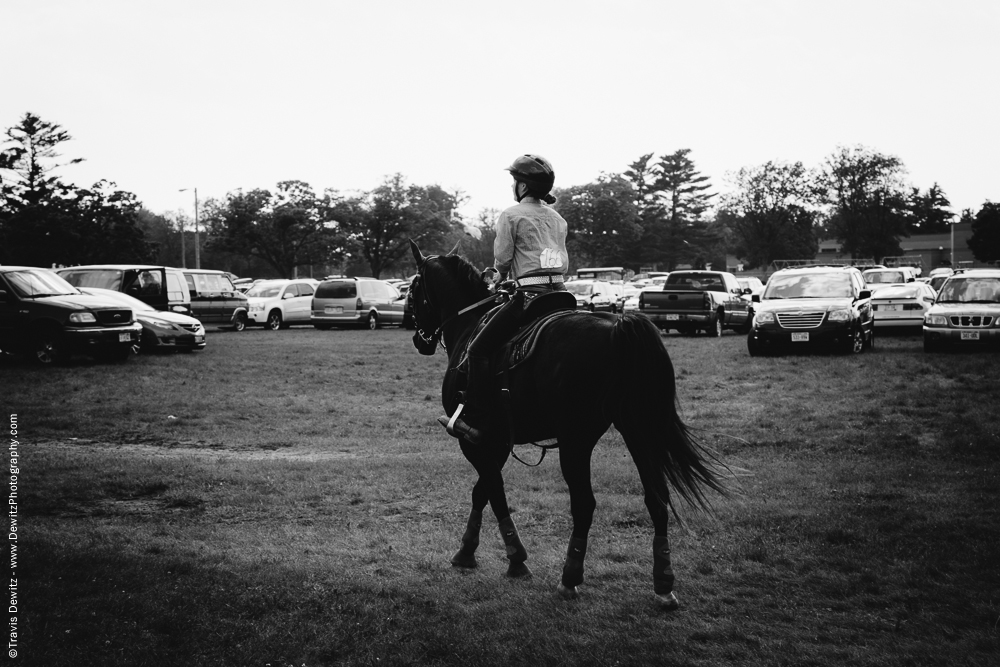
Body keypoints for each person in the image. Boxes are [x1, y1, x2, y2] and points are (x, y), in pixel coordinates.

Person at [440, 154, 570, 445]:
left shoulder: (511, 215)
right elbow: (557, 261)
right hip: (562, 296)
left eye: (515, 181)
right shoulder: (558, 219)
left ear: (522, 186)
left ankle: (475, 417)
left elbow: (503, 260)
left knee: (476, 350)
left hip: (529, 298)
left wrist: (498, 276)